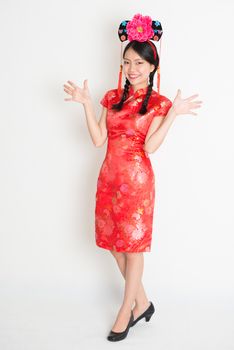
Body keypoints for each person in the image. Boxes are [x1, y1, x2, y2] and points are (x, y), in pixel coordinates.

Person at [63, 13, 202, 342]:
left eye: (140, 63)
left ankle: (126, 311)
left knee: (133, 248)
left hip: (138, 183)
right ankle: (142, 302)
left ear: (152, 67)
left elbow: (151, 146)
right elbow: (98, 140)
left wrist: (173, 116)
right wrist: (84, 104)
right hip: (108, 178)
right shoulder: (111, 97)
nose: (133, 69)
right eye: (127, 62)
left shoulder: (158, 103)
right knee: (114, 245)